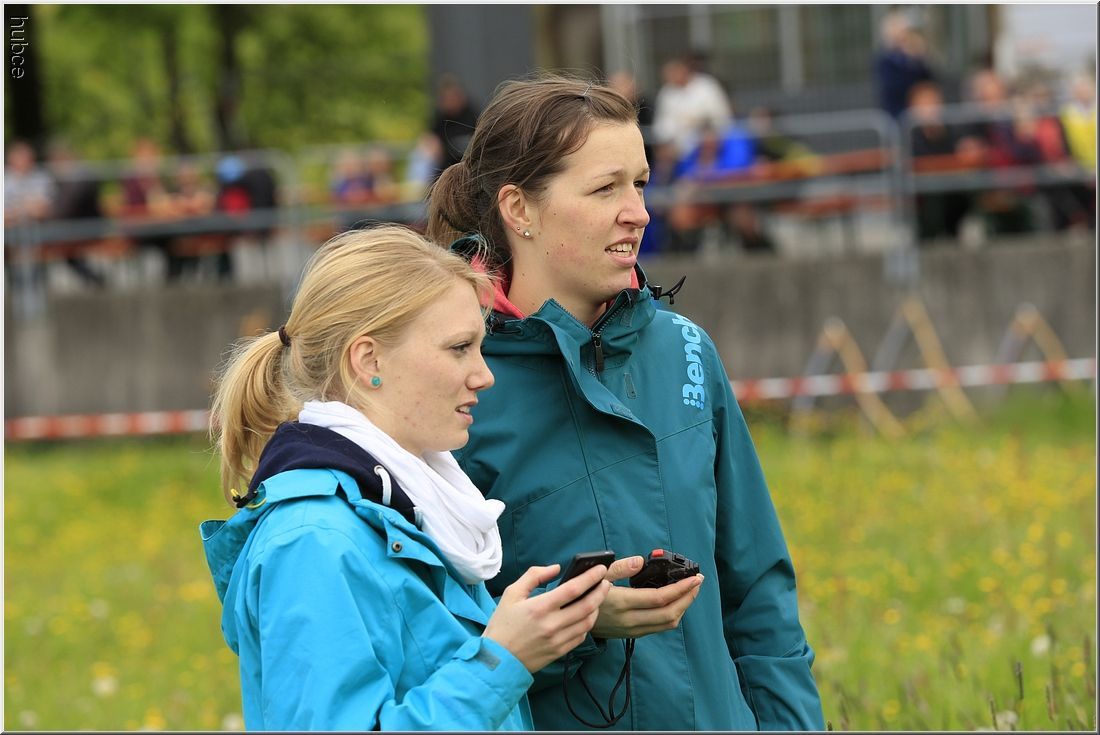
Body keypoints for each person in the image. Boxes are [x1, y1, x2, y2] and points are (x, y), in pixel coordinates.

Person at [426, 74, 824, 731]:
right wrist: (578, 621)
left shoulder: (687, 350)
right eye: (605, 188)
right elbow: (434, 643)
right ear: (519, 210)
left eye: (640, 183)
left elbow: (759, 593)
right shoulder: (452, 381)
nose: (638, 211)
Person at [202, 225, 612, 730]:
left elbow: (430, 665)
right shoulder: (313, 541)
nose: (484, 375)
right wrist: (503, 659)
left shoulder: (400, 504)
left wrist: (566, 621)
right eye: (459, 347)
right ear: (368, 360)